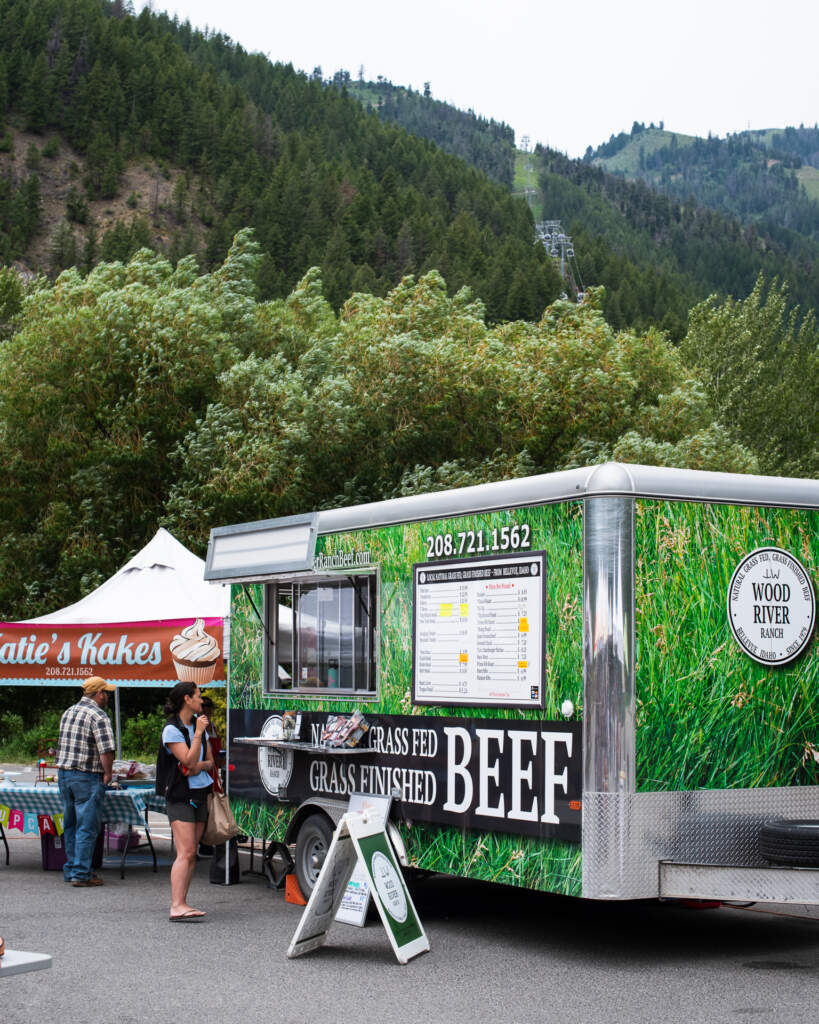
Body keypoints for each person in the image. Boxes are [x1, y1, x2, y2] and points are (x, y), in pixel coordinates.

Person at [55, 676, 116, 887]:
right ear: (99, 694)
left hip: (64, 774)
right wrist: (108, 773)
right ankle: (82, 873)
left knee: (71, 825)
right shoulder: (99, 715)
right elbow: (106, 750)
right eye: (105, 692)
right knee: (87, 827)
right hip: (87, 775)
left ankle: (72, 868)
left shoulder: (68, 711)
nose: (107, 696)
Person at [161, 681, 214, 921]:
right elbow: (189, 761)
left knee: (193, 852)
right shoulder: (172, 730)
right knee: (186, 851)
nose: (201, 701)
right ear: (187, 699)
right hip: (180, 795)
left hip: (201, 791)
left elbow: (208, 762)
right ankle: (176, 904)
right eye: (198, 696)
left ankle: (183, 902)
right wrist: (199, 737)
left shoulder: (196, 724)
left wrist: (197, 766)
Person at [197, 695, 222, 858]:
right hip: (202, 771)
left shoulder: (213, 727)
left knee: (213, 809)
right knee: (202, 809)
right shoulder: (197, 729)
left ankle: (209, 841)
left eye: (209, 706)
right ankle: (201, 844)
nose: (207, 709)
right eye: (204, 706)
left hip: (213, 771)